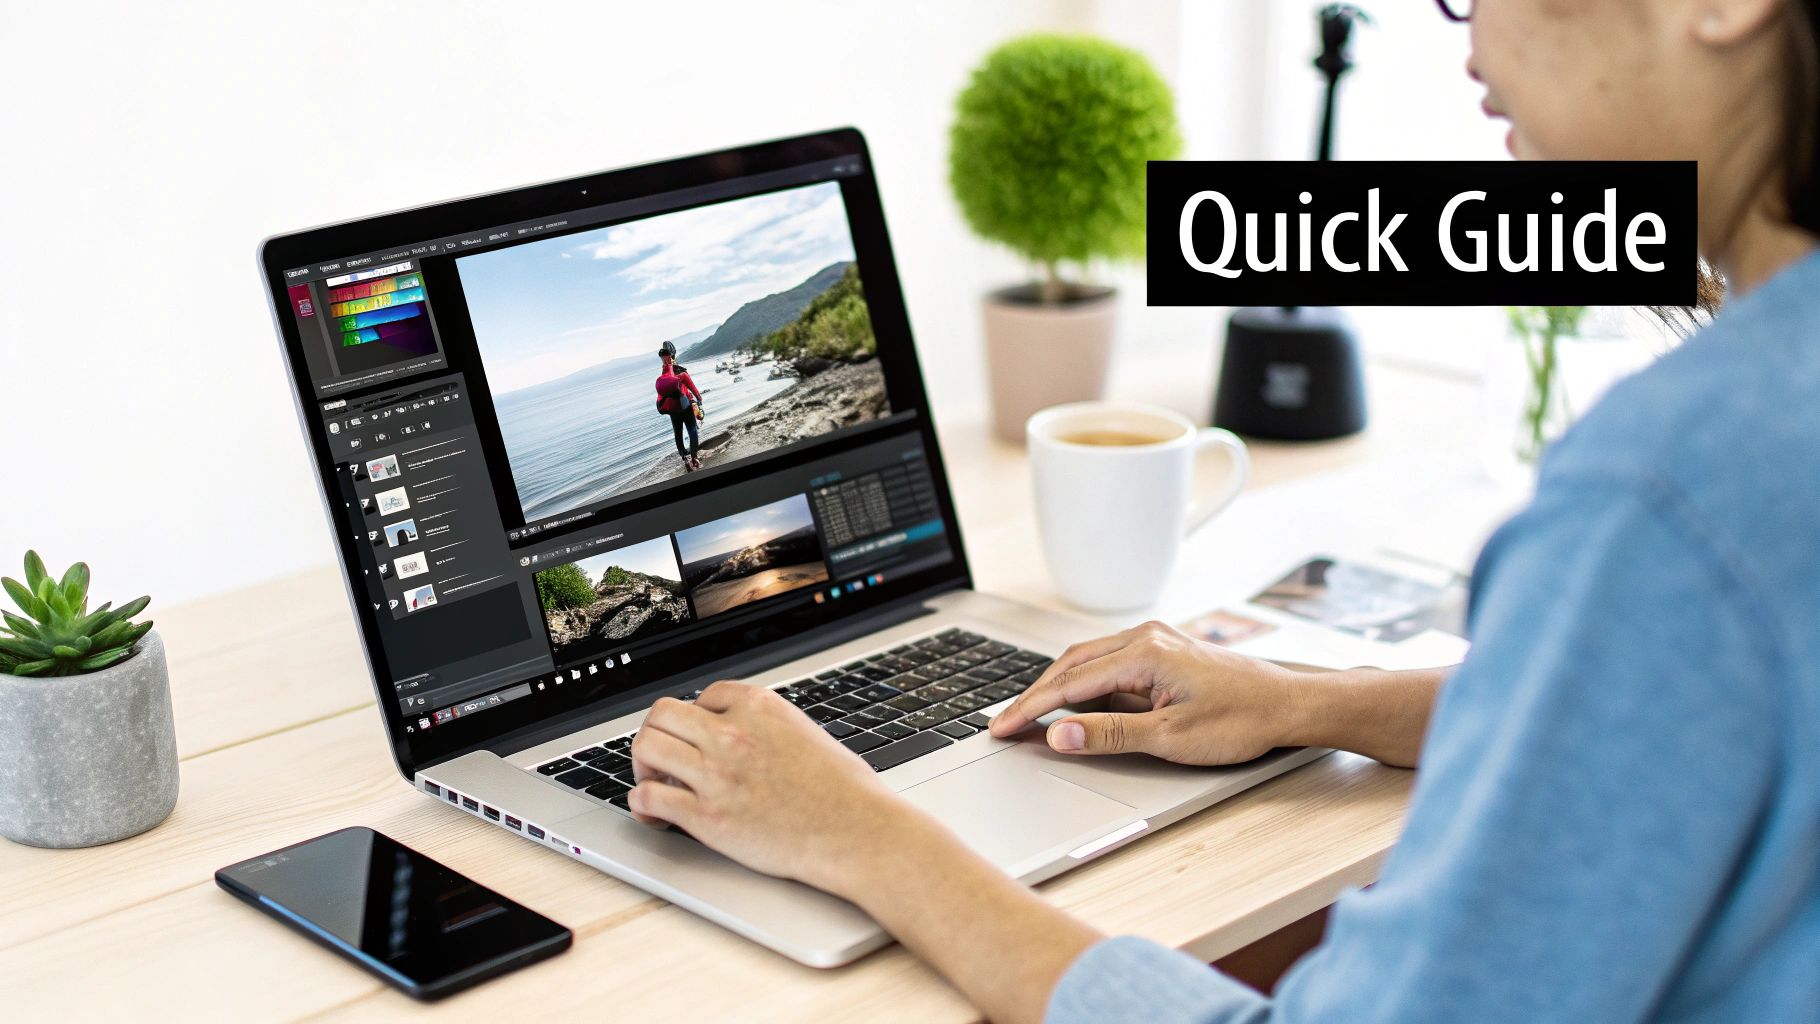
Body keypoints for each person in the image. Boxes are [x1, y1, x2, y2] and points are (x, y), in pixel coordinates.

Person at [626, 1, 1820, 1021]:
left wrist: (861, 837)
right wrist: (1308, 702)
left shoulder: (1670, 487)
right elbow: (1656, 713)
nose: (1461, 42)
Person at [655, 341, 703, 472]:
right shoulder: (682, 374)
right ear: (673, 357)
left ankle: (685, 459)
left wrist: (663, 407)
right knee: (692, 430)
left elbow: (660, 397)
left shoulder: (661, 379)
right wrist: (698, 401)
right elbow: (693, 391)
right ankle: (694, 458)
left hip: (672, 410)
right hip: (685, 406)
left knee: (678, 433)